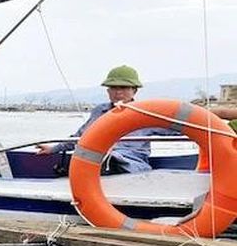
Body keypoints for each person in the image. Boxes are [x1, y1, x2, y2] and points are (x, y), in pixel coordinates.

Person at [37, 65, 174, 174]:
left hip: (131, 164)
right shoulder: (100, 112)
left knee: (114, 158)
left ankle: (108, 164)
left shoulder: (146, 114)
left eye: (124, 87)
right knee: (90, 155)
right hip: (97, 160)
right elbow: (81, 136)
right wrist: (54, 149)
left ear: (134, 90)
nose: (118, 92)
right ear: (108, 91)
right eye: (113, 87)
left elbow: (177, 129)